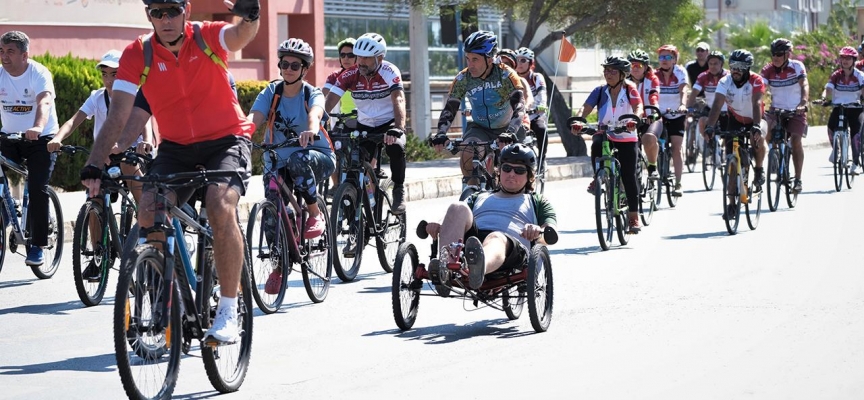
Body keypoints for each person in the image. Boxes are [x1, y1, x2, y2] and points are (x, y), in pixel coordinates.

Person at [79, 0, 260, 345]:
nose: (165, 19)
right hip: (176, 147)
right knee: (148, 210)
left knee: (220, 206)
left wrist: (250, 15)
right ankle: (167, 293)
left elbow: (238, 36)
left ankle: (227, 308)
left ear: (186, 11)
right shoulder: (138, 55)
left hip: (226, 140)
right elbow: (120, 115)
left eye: (172, 11)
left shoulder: (205, 38)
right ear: (149, 16)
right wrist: (97, 161)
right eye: (157, 12)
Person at [247, 38, 335, 292]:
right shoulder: (271, 92)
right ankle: (279, 264)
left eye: (295, 66)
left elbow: (315, 114)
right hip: (276, 158)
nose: (288, 69)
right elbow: (255, 117)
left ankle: (314, 212)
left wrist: (310, 130)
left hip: (315, 155)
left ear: (304, 69)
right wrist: (241, 133)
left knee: (298, 160)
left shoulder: (310, 93)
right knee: (272, 207)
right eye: (284, 64)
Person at [423, 143, 556, 290]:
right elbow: (454, 218)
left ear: (529, 176)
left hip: (510, 248)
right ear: (499, 171)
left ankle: (477, 270)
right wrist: (437, 223)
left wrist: (538, 232)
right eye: (506, 168)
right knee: (457, 207)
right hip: (474, 243)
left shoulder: (536, 201)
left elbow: (550, 232)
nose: (511, 174)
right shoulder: (479, 196)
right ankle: (446, 269)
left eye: (519, 170)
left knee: (496, 237)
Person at [49, 50, 153, 203]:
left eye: (114, 74)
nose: (109, 80)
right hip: (104, 154)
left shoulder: (135, 95)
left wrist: (147, 141)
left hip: (132, 153)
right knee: (93, 196)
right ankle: (94, 217)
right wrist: (57, 138)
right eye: (105, 74)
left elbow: (145, 121)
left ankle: (145, 218)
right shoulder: (96, 97)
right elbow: (73, 121)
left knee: (128, 164)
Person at [323, 32, 408, 214]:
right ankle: (359, 206)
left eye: (366, 58)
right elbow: (330, 101)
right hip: (365, 124)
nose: (360, 61)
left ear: (380, 57)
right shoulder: (351, 74)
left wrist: (398, 128)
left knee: (396, 148)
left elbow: (398, 100)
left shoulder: (390, 71)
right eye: (359, 56)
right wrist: (317, 122)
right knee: (355, 162)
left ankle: (399, 189)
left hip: (389, 123)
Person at [430, 30, 528, 184]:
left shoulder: (506, 75)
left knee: (519, 171)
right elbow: (450, 108)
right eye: (467, 58)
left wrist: (510, 133)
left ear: (489, 59)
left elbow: (520, 108)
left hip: (507, 128)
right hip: (479, 128)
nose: (470, 65)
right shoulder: (463, 78)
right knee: (468, 154)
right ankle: (471, 195)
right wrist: (441, 133)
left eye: (475, 59)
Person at [0, 30, 60, 266]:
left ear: (25, 55)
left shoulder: (38, 73)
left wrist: (37, 126)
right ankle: (6, 208)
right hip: (10, 137)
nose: (4, 57)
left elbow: (44, 101)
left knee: (37, 188)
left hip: (41, 139)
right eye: (2, 51)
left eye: (10, 52)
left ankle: (37, 244)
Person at [570, 56, 644, 233]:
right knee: (596, 142)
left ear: (622, 74)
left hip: (626, 135)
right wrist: (579, 121)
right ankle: (598, 177)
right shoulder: (600, 90)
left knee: (628, 176)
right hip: (605, 132)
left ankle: (633, 217)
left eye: (612, 71)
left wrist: (635, 120)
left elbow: (638, 106)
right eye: (606, 70)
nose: (607, 74)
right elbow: (585, 108)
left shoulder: (630, 89)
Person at [703, 49, 767, 220]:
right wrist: (710, 127)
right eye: (733, 67)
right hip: (736, 119)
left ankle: (759, 168)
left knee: (757, 140)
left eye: (740, 67)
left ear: (747, 68)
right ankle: (731, 204)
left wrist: (756, 126)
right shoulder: (725, 81)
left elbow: (757, 102)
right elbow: (717, 104)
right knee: (732, 163)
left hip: (755, 118)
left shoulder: (756, 80)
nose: (736, 70)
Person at [760, 38, 809, 193]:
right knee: (763, 129)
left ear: (788, 54)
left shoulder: (797, 66)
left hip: (796, 110)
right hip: (776, 110)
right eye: (773, 53)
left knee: (795, 141)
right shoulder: (768, 69)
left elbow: (804, 84)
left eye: (779, 54)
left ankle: (798, 179)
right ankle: (773, 154)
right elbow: (760, 88)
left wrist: (803, 102)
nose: (775, 57)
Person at [823, 46, 864, 174]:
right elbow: (828, 89)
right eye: (842, 58)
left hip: (855, 108)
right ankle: (837, 151)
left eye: (848, 58)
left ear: (854, 60)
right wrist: (824, 98)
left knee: (855, 134)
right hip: (839, 107)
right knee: (830, 128)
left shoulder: (859, 75)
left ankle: (855, 163)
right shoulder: (836, 75)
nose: (845, 61)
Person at [656, 44, 689, 196]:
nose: (664, 60)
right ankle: (654, 174)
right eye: (661, 57)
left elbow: (683, 90)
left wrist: (682, 104)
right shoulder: (654, 75)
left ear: (674, 60)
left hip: (677, 114)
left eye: (668, 57)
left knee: (676, 147)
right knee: (654, 144)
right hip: (659, 113)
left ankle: (678, 183)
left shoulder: (680, 72)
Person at [627, 49, 661, 178]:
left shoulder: (652, 79)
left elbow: (654, 96)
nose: (635, 68)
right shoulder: (624, 81)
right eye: (632, 65)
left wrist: (653, 111)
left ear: (645, 67)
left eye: (638, 65)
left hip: (651, 118)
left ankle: (652, 166)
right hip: (632, 120)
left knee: (648, 138)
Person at [686, 51, 730, 145]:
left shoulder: (728, 76)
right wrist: (689, 107)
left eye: (716, 64)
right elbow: (694, 93)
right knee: (702, 121)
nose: (713, 66)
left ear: (721, 64)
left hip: (727, 110)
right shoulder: (703, 76)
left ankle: (724, 147)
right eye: (710, 64)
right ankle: (709, 143)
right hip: (711, 108)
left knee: (728, 137)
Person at [514, 47, 550, 163]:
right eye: (517, 60)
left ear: (531, 63)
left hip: (535, 114)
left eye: (523, 60)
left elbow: (542, 94)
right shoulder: (512, 78)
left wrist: (542, 106)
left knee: (541, 129)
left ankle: (541, 159)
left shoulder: (536, 77)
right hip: (518, 116)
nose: (519, 63)